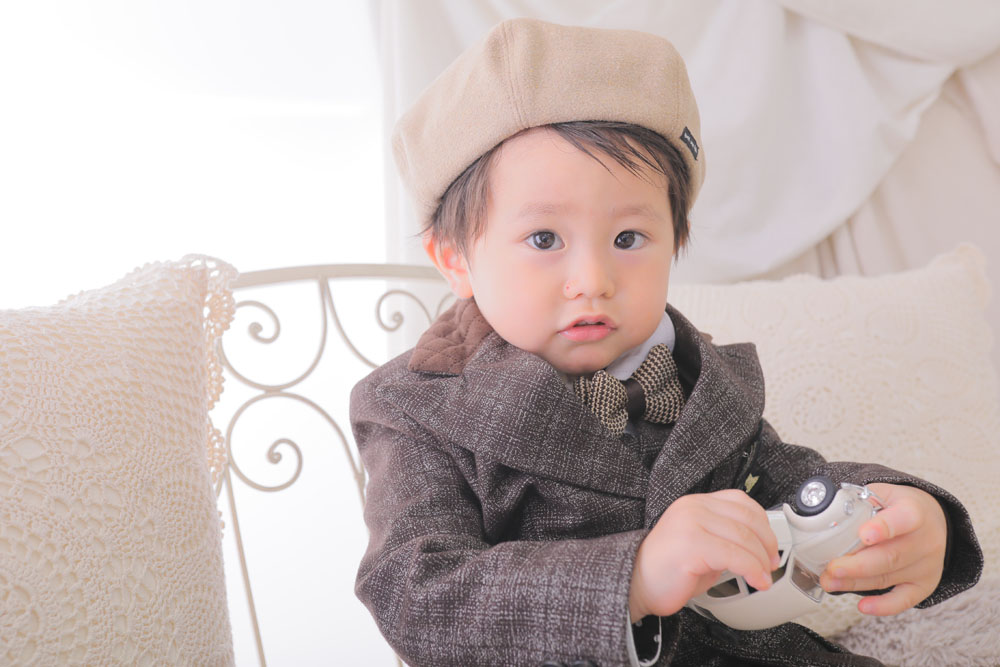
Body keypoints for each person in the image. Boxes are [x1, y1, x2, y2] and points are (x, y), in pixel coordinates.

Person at [350, 17, 982, 667]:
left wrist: (887, 514)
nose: (593, 280)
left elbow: (788, 484)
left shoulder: (693, 376)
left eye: (628, 239)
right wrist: (634, 578)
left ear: (676, 240)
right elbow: (415, 594)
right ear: (454, 258)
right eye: (544, 239)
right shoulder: (414, 406)